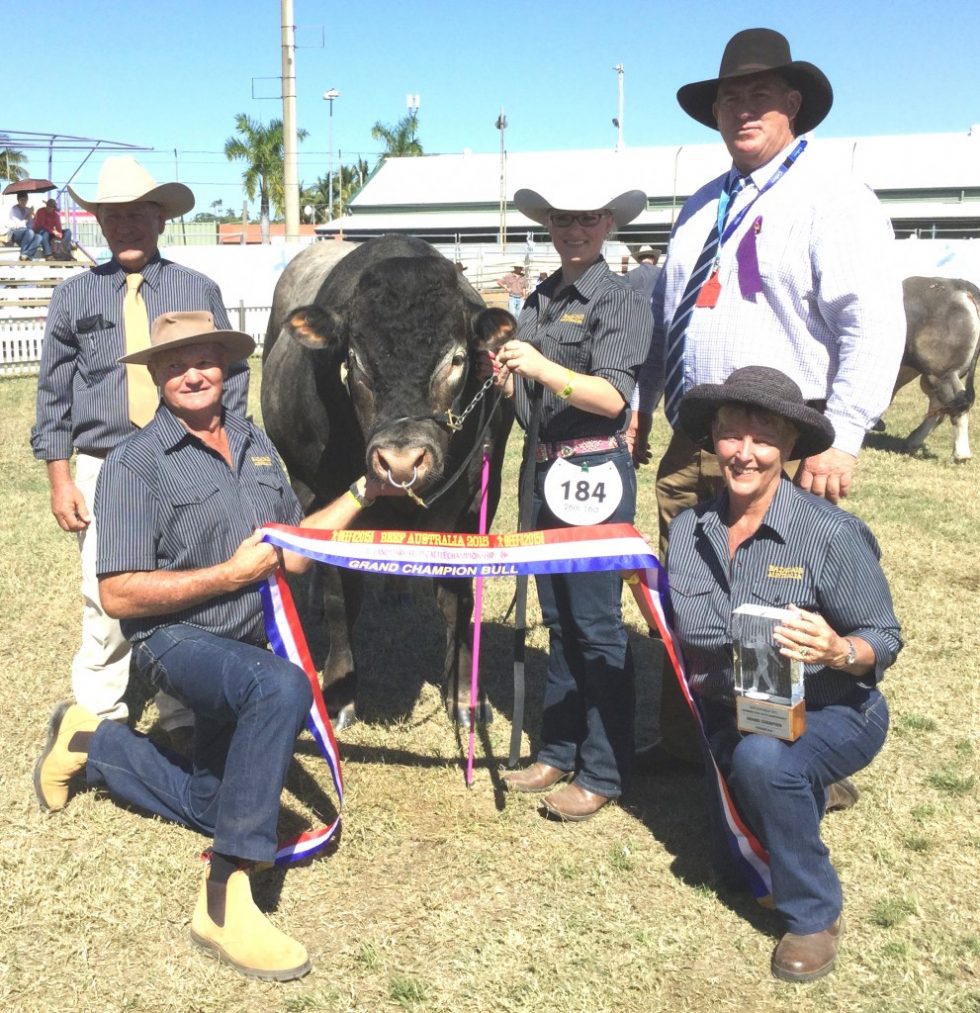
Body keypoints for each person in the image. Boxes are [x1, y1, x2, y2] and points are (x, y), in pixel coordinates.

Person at [33, 311, 405, 981]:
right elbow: (118, 595)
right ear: (155, 375)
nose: (193, 372)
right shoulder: (134, 464)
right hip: (173, 642)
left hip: (241, 644)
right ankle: (225, 900)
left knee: (215, 802)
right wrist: (229, 575)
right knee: (282, 684)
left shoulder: (256, 443)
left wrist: (363, 491)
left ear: (228, 367)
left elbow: (293, 554)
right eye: (176, 363)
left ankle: (90, 743)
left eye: (205, 358)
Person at [639, 28, 906, 763]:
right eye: (731, 97)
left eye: (761, 96)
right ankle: (690, 734)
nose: (744, 110)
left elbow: (873, 320)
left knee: (781, 602)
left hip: (785, 438)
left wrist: (845, 429)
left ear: (793, 105)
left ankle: (792, 754)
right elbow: (672, 318)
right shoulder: (700, 206)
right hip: (696, 432)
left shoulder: (834, 197)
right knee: (689, 590)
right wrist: (645, 407)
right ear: (715, 111)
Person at [667, 365, 901, 982]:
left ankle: (813, 915)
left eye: (763, 438)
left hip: (837, 708)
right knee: (727, 867)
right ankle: (810, 790)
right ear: (713, 442)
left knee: (765, 764)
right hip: (738, 707)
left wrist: (835, 648)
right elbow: (698, 630)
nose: (744, 454)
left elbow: (884, 638)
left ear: (789, 448)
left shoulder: (831, 534)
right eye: (730, 436)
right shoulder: (689, 532)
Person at [31, 156, 248, 743]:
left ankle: (181, 712)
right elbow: (54, 392)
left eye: (137, 214)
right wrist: (60, 479)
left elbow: (232, 377)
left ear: (159, 218)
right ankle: (97, 721)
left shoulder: (197, 289)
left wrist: (228, 455)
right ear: (99, 222)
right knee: (107, 596)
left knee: (184, 581)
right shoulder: (74, 296)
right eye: (112, 216)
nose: (125, 226)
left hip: (182, 456)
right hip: (102, 463)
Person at [495, 184, 651, 821]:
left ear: (607, 224)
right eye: (563, 219)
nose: (575, 229)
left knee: (595, 625)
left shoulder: (618, 298)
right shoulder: (541, 296)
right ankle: (558, 749)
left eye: (587, 218)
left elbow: (613, 398)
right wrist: (506, 375)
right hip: (544, 470)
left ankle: (606, 768)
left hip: (592, 469)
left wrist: (542, 367)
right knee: (559, 619)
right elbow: (526, 390)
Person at [4, 191, 43, 260]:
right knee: (30, 232)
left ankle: (26, 255)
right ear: (18, 200)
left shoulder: (28, 209)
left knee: (39, 237)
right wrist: (28, 215)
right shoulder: (14, 209)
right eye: (22, 200)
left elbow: (30, 225)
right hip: (16, 233)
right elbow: (20, 225)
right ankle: (23, 253)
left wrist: (34, 217)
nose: (24, 202)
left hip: (27, 235)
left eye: (25, 200)